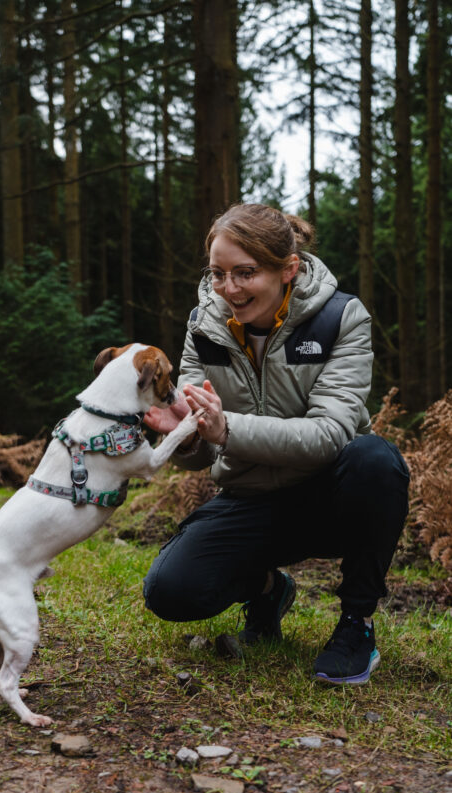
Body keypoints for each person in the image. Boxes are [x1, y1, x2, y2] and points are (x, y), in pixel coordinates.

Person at [142, 203, 409, 685]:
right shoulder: (204, 325)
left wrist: (228, 430)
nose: (229, 289)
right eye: (218, 274)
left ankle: (356, 625)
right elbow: (204, 452)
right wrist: (184, 434)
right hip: (249, 499)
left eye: (246, 273)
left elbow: (330, 434)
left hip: (330, 498)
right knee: (169, 591)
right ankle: (268, 588)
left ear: (288, 270)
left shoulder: (341, 318)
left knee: (376, 460)